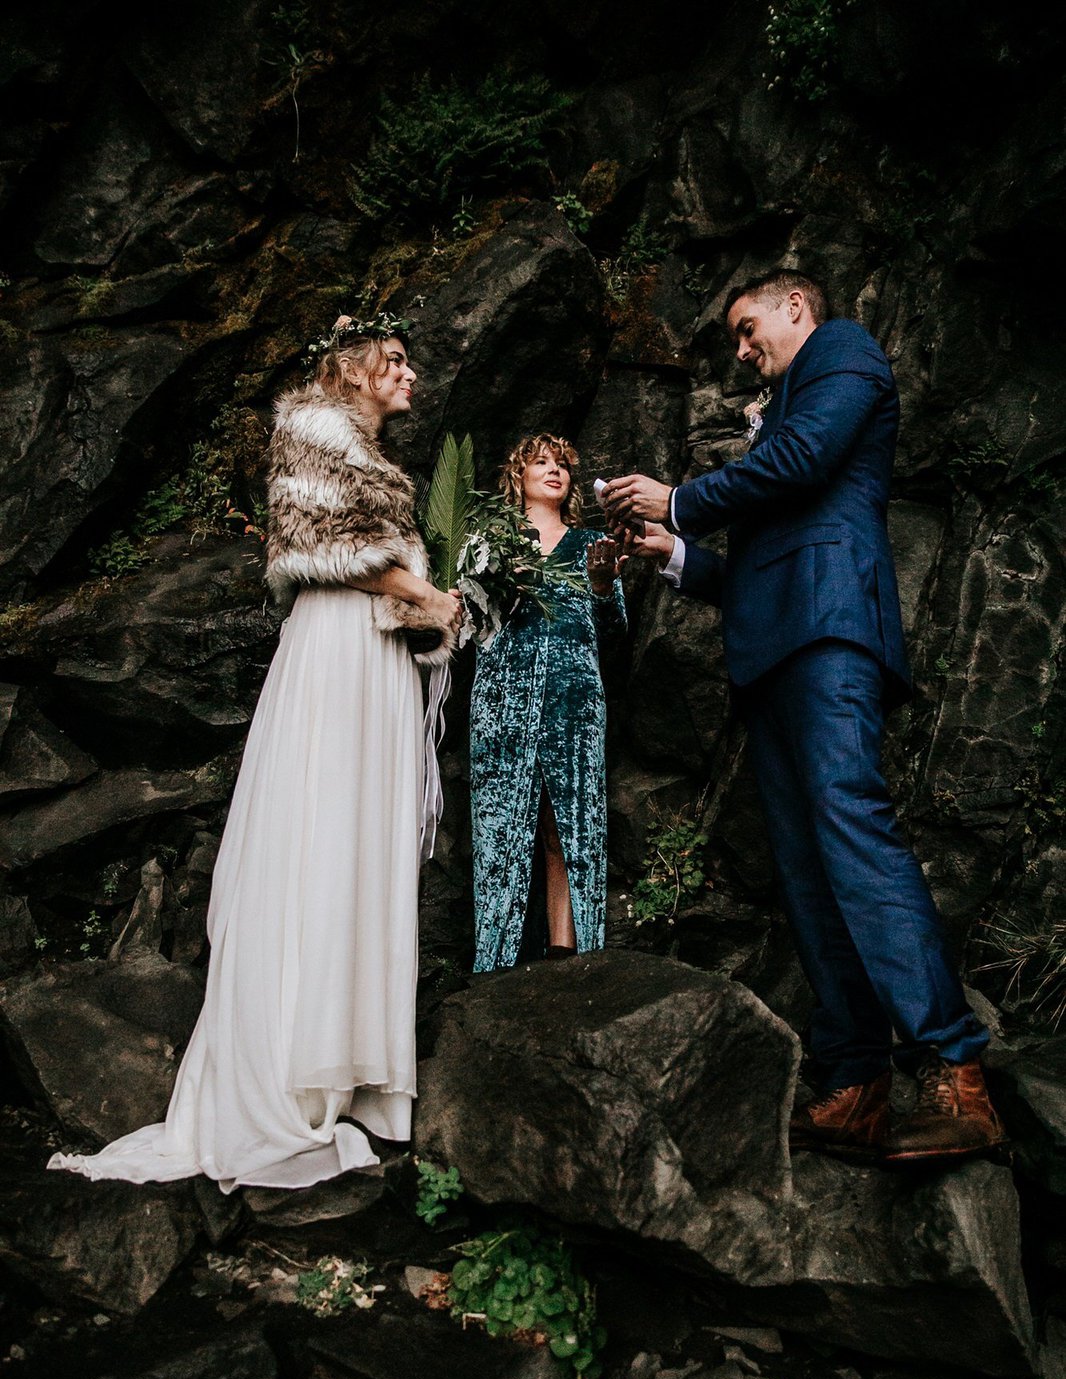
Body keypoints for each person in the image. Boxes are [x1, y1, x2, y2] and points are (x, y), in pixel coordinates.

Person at [48, 314, 460, 1191]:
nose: (410, 373)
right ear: (352, 367)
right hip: (338, 647)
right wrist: (427, 590)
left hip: (375, 650)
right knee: (320, 836)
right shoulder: (311, 429)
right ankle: (294, 1068)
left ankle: (345, 1072)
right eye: (396, 360)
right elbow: (320, 546)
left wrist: (424, 604)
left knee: (356, 843)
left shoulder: (371, 452)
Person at [606, 267, 1005, 1164]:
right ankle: (855, 1084)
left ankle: (956, 1074)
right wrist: (676, 552)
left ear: (796, 307)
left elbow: (805, 464)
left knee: (852, 829)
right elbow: (755, 560)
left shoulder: (843, 351)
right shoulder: (782, 411)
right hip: (775, 649)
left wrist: (680, 499)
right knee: (807, 870)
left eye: (750, 330)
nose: (745, 353)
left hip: (829, 636)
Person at [469, 434, 625, 971]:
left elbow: (613, 632)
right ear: (519, 476)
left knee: (569, 825)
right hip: (501, 700)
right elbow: (467, 624)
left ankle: (568, 954)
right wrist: (496, 585)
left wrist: (604, 587)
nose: (554, 470)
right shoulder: (488, 541)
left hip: (574, 700)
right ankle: (495, 960)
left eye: (562, 464)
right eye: (541, 462)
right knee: (503, 829)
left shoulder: (591, 544)